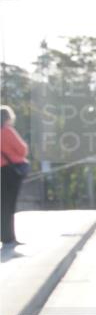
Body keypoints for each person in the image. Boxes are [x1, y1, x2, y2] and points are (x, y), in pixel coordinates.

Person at [1, 105, 30, 247]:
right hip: (10, 170)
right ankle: (9, 237)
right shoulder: (7, 131)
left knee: (3, 203)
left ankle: (5, 236)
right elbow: (22, 149)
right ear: (7, 118)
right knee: (10, 204)